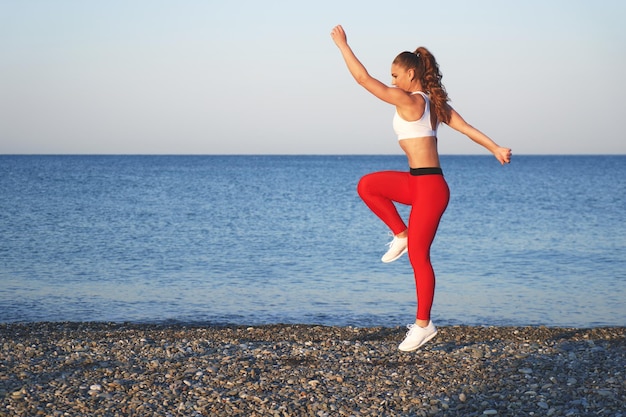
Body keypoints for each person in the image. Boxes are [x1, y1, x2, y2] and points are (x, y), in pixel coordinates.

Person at [330, 25, 512, 352]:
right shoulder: (435, 104)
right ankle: (399, 232)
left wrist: (343, 45)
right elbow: (469, 129)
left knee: (419, 256)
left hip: (430, 188)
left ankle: (423, 325)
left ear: (411, 74)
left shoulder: (411, 101)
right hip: (417, 181)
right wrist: (495, 148)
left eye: (396, 75)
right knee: (368, 185)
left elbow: (362, 79)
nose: (392, 82)